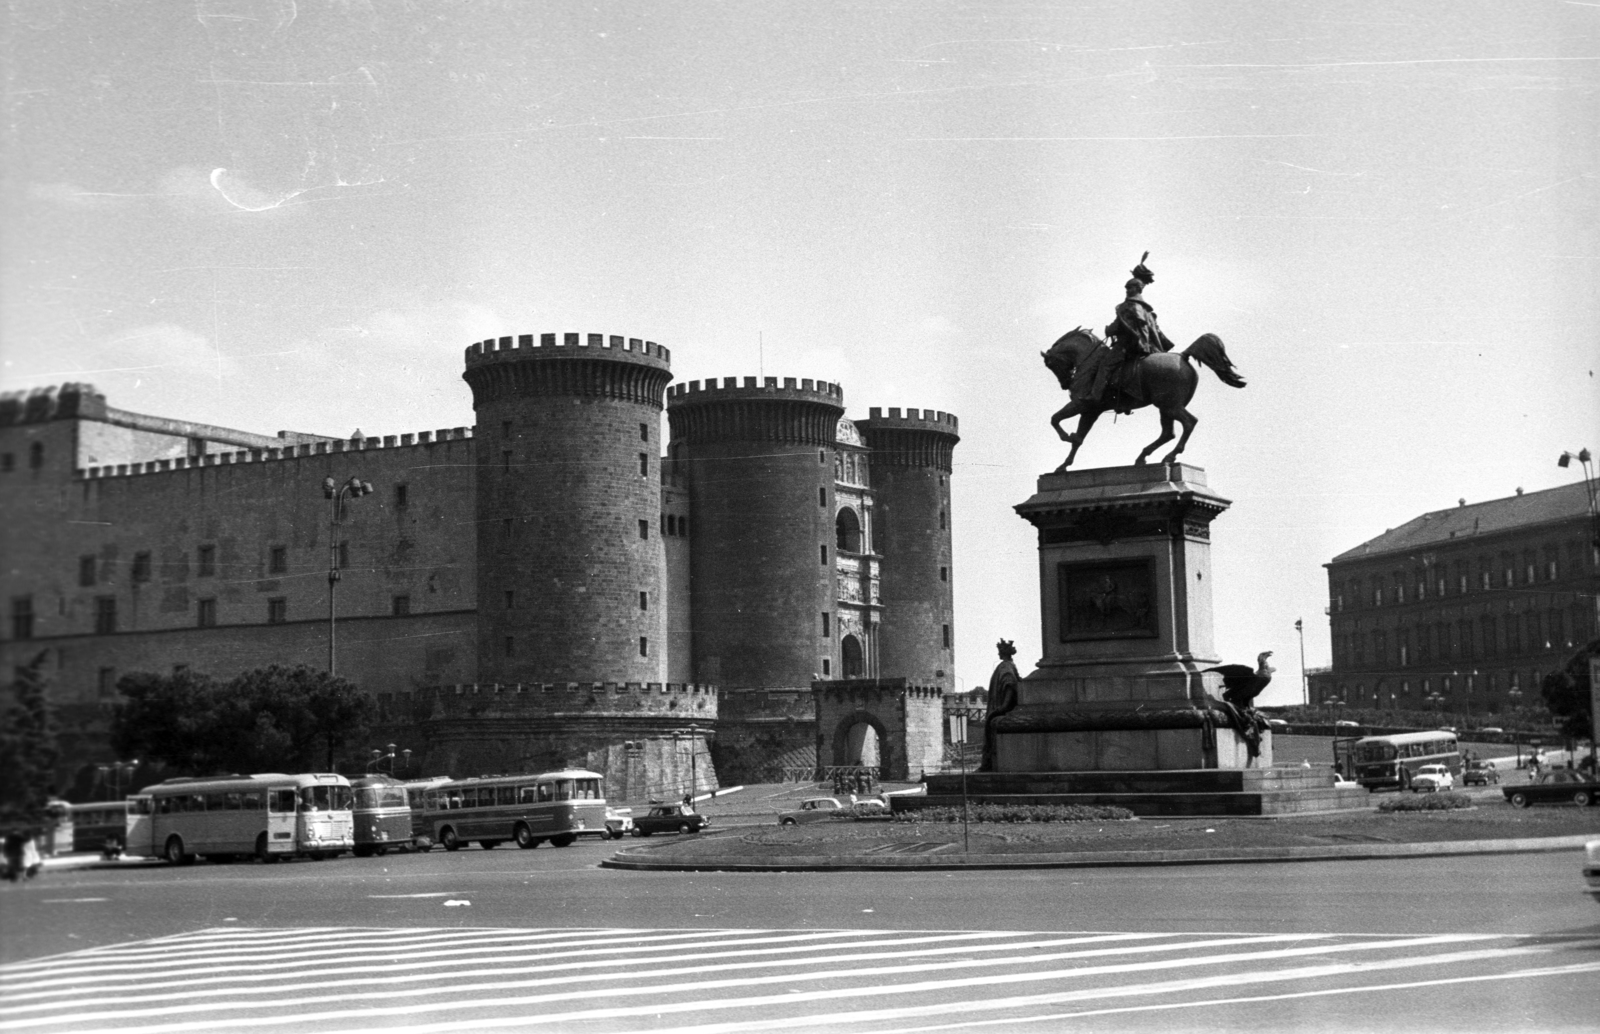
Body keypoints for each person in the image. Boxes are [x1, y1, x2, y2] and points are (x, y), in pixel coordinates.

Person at [1091, 253, 1176, 408]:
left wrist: (1108, 330)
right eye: (1126, 287)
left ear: (1137, 288)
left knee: (1105, 365)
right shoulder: (1147, 310)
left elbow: (1117, 326)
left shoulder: (1128, 306)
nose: (1126, 290)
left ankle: (1095, 397)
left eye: (1129, 287)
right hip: (1149, 347)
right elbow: (1156, 332)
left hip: (1128, 346)